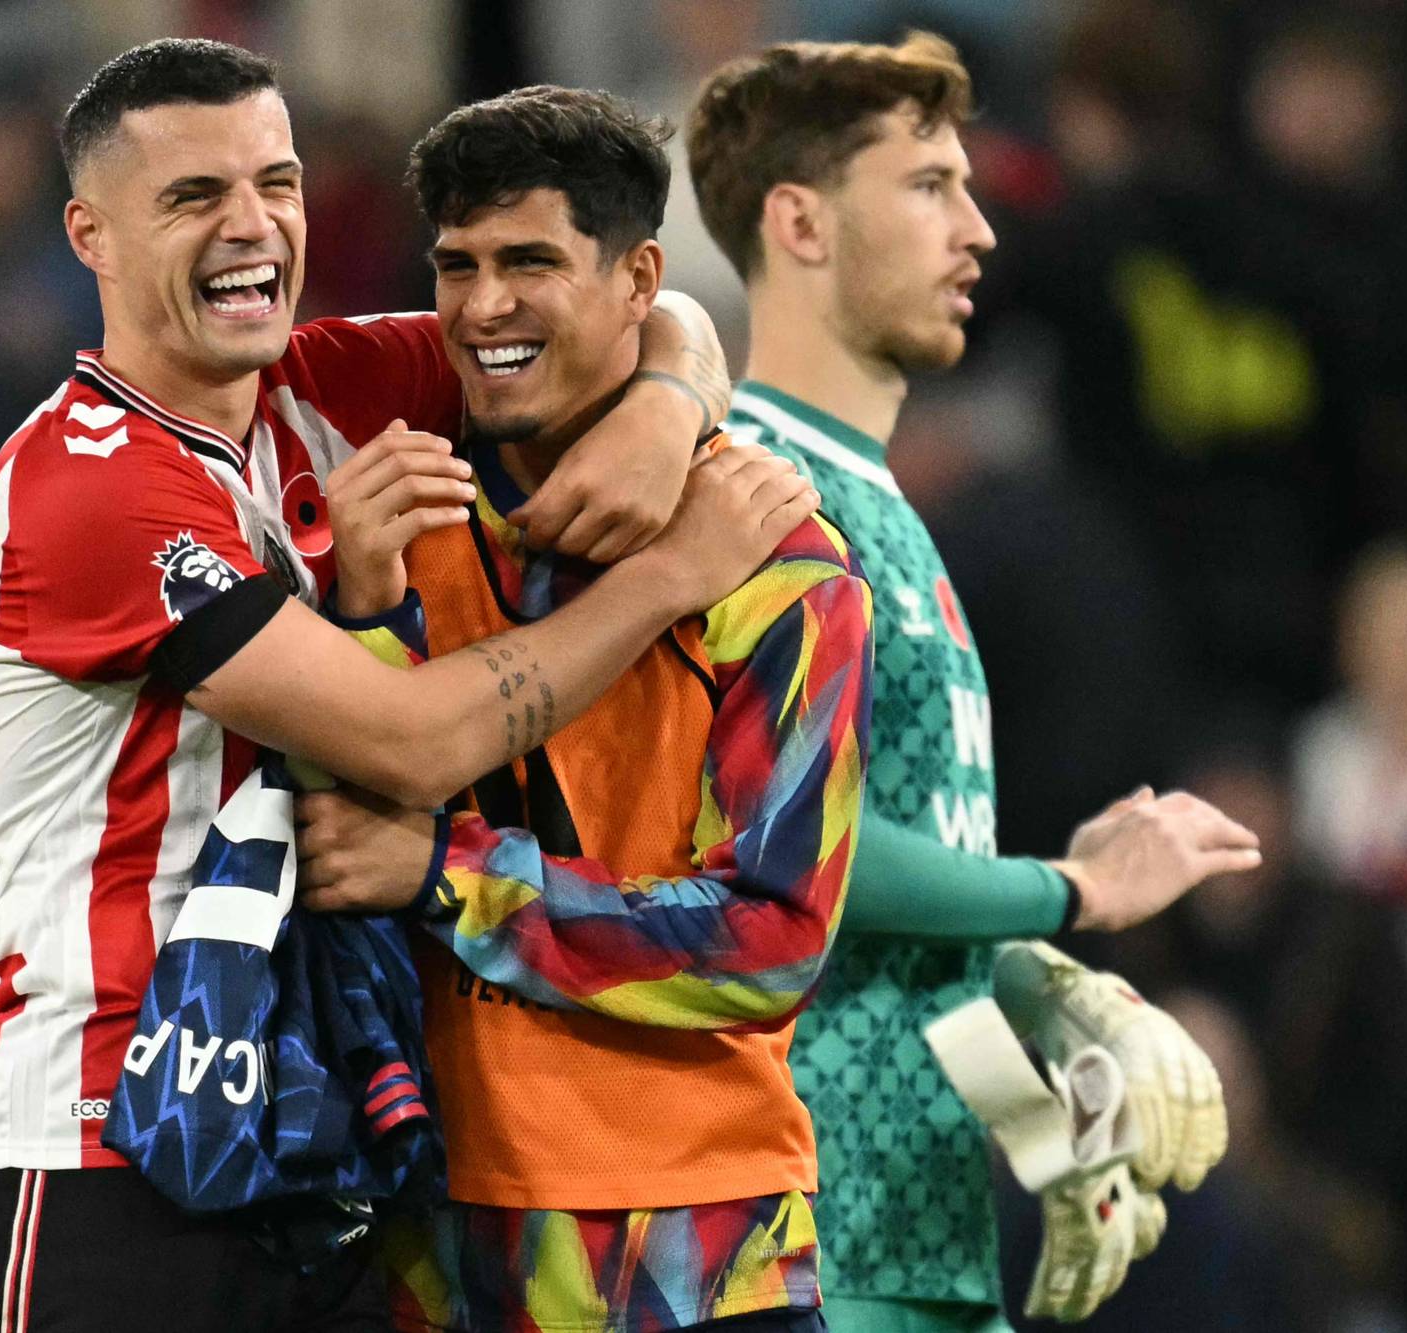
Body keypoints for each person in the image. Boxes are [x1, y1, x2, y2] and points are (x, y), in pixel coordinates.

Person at [0, 38, 815, 1333]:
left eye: (273, 183)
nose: (250, 225)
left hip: (303, 1150)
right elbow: (411, 742)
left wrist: (666, 409)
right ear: (89, 236)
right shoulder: (87, 483)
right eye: (192, 196)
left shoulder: (321, 388)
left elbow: (623, 313)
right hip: (92, 1157)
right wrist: (672, 575)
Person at [685, 34, 1259, 1330]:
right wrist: (1074, 890)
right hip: (791, 1247)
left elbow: (911, 958)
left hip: (918, 1246)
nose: (980, 230)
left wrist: (1058, 1127)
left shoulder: (891, 510)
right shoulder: (751, 491)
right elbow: (799, 856)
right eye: (929, 186)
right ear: (800, 223)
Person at [292, 86, 874, 1332]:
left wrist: (450, 876)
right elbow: (337, 849)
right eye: (456, 264)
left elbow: (773, 936)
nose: (480, 305)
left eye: (529, 262)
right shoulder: (391, 521)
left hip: (692, 1247)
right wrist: (365, 609)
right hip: (428, 1240)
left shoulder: (772, 556)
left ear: (635, 280)